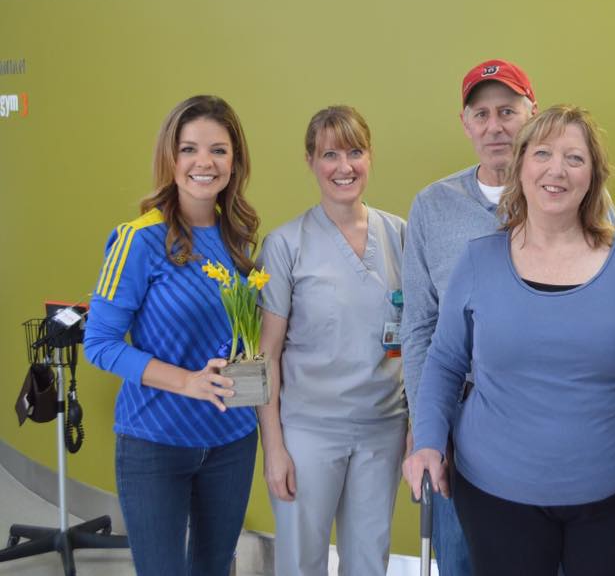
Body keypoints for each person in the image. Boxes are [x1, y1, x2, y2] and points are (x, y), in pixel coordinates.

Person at [405, 105, 615, 576]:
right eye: (543, 154)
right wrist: (428, 440)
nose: (557, 169)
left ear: (593, 176)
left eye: (574, 158)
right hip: (495, 498)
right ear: (521, 166)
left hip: (613, 501)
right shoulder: (479, 261)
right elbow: (445, 361)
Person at [83, 95, 261, 576]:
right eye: (189, 149)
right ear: (171, 157)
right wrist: (187, 382)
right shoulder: (139, 239)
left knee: (214, 568)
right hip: (156, 442)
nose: (204, 162)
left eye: (219, 150)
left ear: (234, 161)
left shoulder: (240, 238)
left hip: (232, 440)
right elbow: (99, 343)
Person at [400, 59, 540, 575]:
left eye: (508, 110)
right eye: (481, 114)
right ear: (465, 124)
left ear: (533, 112)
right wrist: (426, 425)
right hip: (459, 421)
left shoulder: (570, 190)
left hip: (549, 420)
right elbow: (419, 326)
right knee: (462, 562)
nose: (495, 126)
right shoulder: (432, 207)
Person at [256, 106, 407, 575]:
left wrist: (418, 427)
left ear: (371, 156)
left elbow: (420, 338)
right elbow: (268, 355)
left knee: (368, 559)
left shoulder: (400, 234)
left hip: (383, 427)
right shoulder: (286, 244)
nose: (345, 167)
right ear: (310, 161)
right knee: (301, 561)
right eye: (330, 154)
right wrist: (274, 449)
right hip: (308, 432)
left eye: (355, 152)